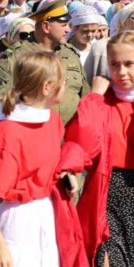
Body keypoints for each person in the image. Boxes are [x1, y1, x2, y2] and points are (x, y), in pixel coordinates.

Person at [0, 51, 87, 267]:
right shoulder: (8, 131)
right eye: (63, 82)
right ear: (46, 87)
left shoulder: (53, 120)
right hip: (18, 222)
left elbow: (49, 159)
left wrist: (64, 175)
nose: (66, 85)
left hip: (48, 214)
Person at [66, 30, 134, 267]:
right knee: (112, 258)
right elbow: (81, 140)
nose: (122, 72)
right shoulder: (102, 103)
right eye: (114, 64)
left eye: (129, 64)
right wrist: (94, 96)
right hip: (108, 190)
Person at [0, 0, 89, 130]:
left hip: (69, 141)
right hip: (31, 139)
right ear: (46, 26)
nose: (68, 30)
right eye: (63, 25)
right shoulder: (16, 57)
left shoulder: (70, 54)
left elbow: (85, 97)